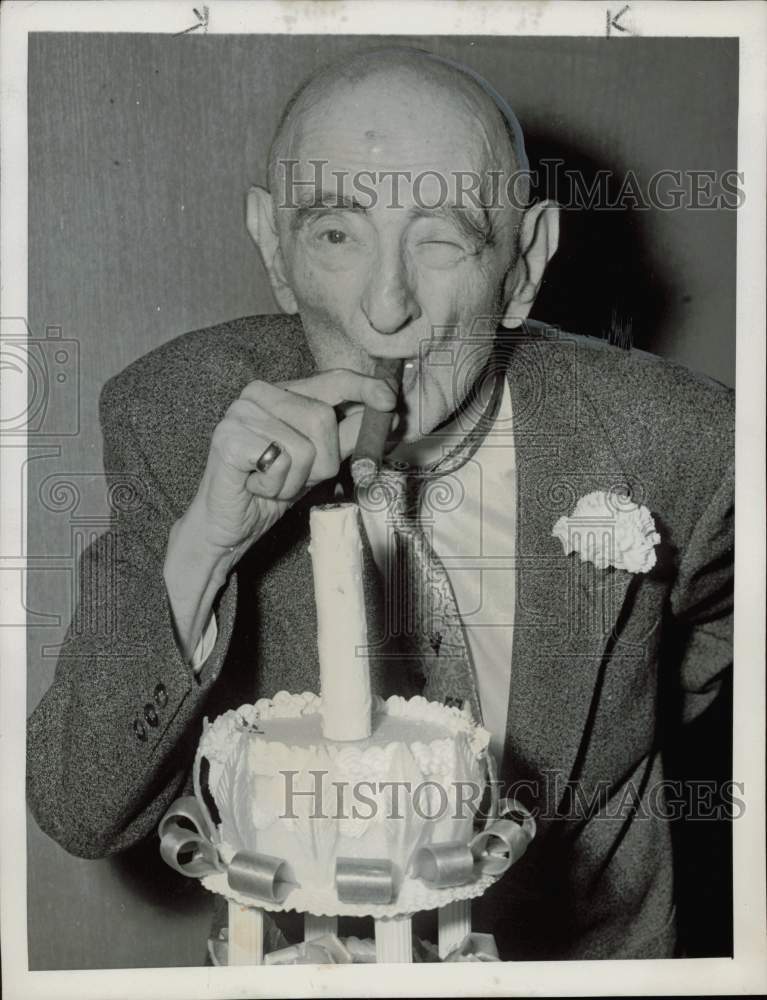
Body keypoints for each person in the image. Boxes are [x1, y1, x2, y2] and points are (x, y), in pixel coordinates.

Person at [27, 47, 734, 961]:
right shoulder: (176, 415)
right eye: (335, 234)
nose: (385, 308)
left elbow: (714, 634)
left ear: (523, 267)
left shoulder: (684, 441)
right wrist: (206, 544)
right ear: (274, 249)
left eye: (441, 239)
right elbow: (81, 805)